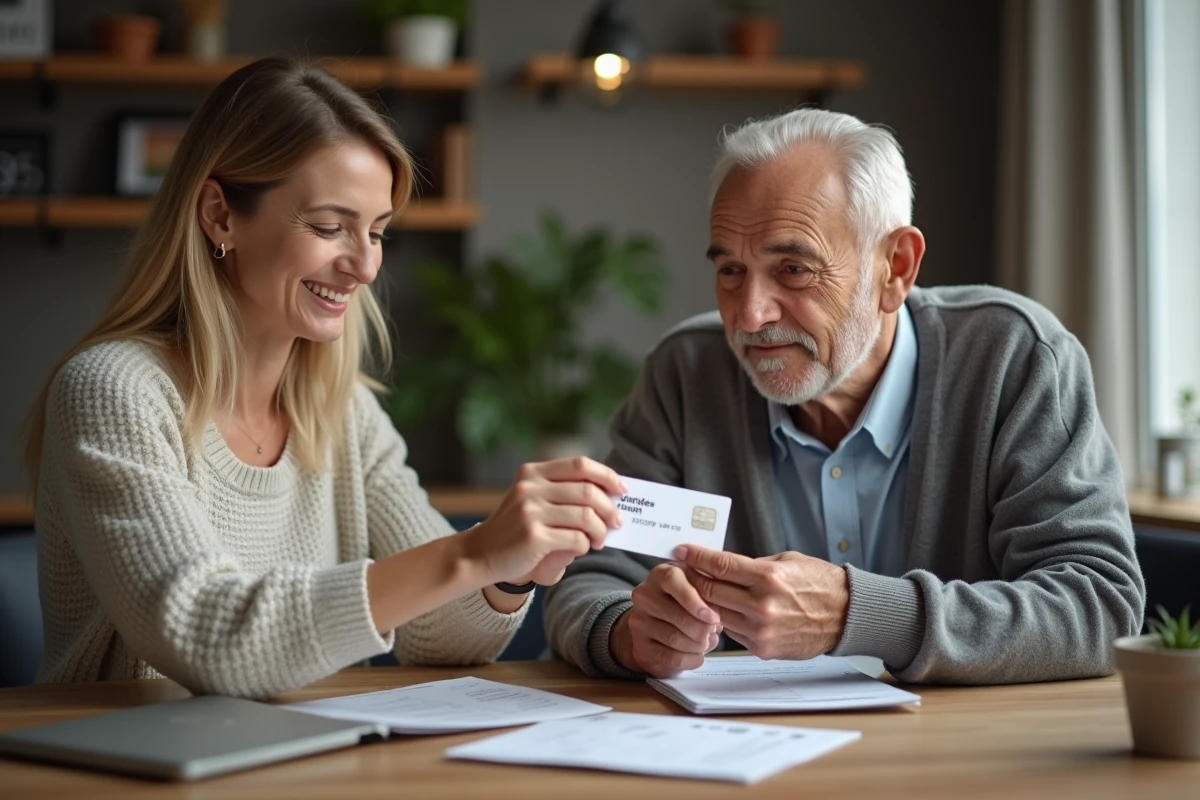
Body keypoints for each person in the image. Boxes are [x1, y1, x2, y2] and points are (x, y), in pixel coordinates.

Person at [24, 58, 623, 700]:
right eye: (330, 228)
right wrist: (473, 554)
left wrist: (507, 573)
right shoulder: (114, 392)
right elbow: (208, 636)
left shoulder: (344, 411)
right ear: (220, 215)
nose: (364, 266)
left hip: (298, 748)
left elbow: (441, 636)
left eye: (377, 233)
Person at [544, 108, 1145, 685]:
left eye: (793, 269)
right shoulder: (687, 374)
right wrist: (627, 633)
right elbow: (590, 576)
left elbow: (1100, 605)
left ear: (895, 268)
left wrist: (855, 613)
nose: (750, 316)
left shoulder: (1014, 357)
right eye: (730, 271)